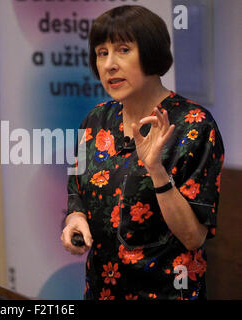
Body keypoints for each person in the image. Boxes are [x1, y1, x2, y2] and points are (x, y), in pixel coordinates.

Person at [61, 5, 224, 300]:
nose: (109, 64)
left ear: (151, 54)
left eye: (123, 50)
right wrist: (74, 218)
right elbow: (77, 194)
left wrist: (157, 171)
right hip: (102, 291)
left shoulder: (195, 126)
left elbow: (193, 237)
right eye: (101, 52)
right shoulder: (96, 121)